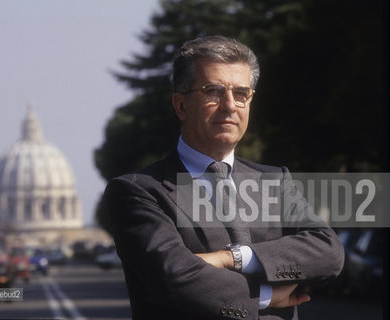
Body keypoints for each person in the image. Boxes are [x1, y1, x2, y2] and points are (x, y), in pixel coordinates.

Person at [103, 35, 344, 320]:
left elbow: (328, 251)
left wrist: (231, 258)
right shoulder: (139, 191)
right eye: (213, 91)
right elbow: (173, 277)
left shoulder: (274, 180)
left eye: (241, 94)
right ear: (181, 105)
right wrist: (265, 296)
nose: (230, 105)